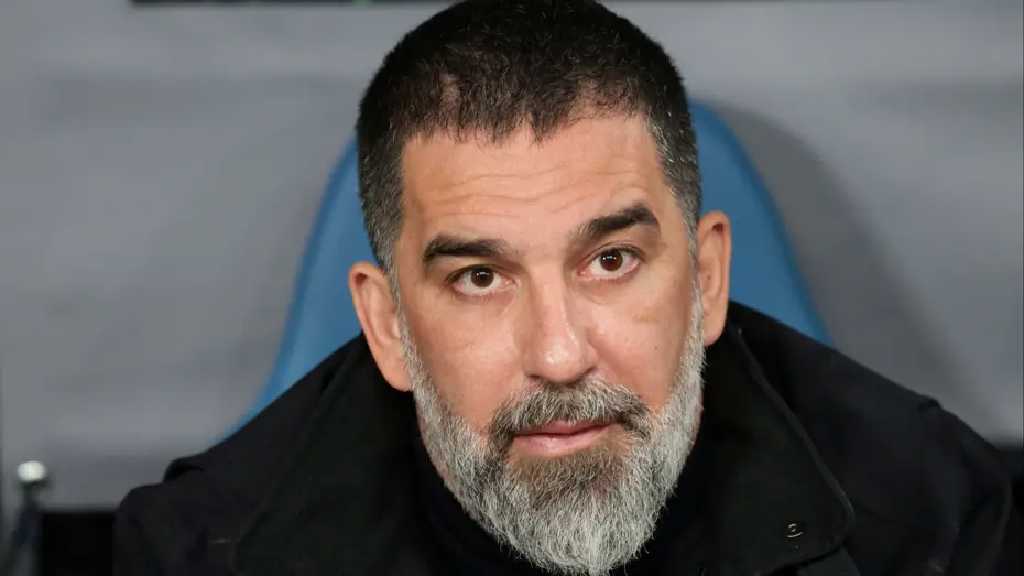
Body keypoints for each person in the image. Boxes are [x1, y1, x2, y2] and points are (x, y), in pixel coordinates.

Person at [114, 1, 1020, 574]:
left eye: (610, 261)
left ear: (706, 278)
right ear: (388, 326)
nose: (557, 355)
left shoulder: (928, 516)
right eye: (479, 277)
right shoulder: (197, 553)